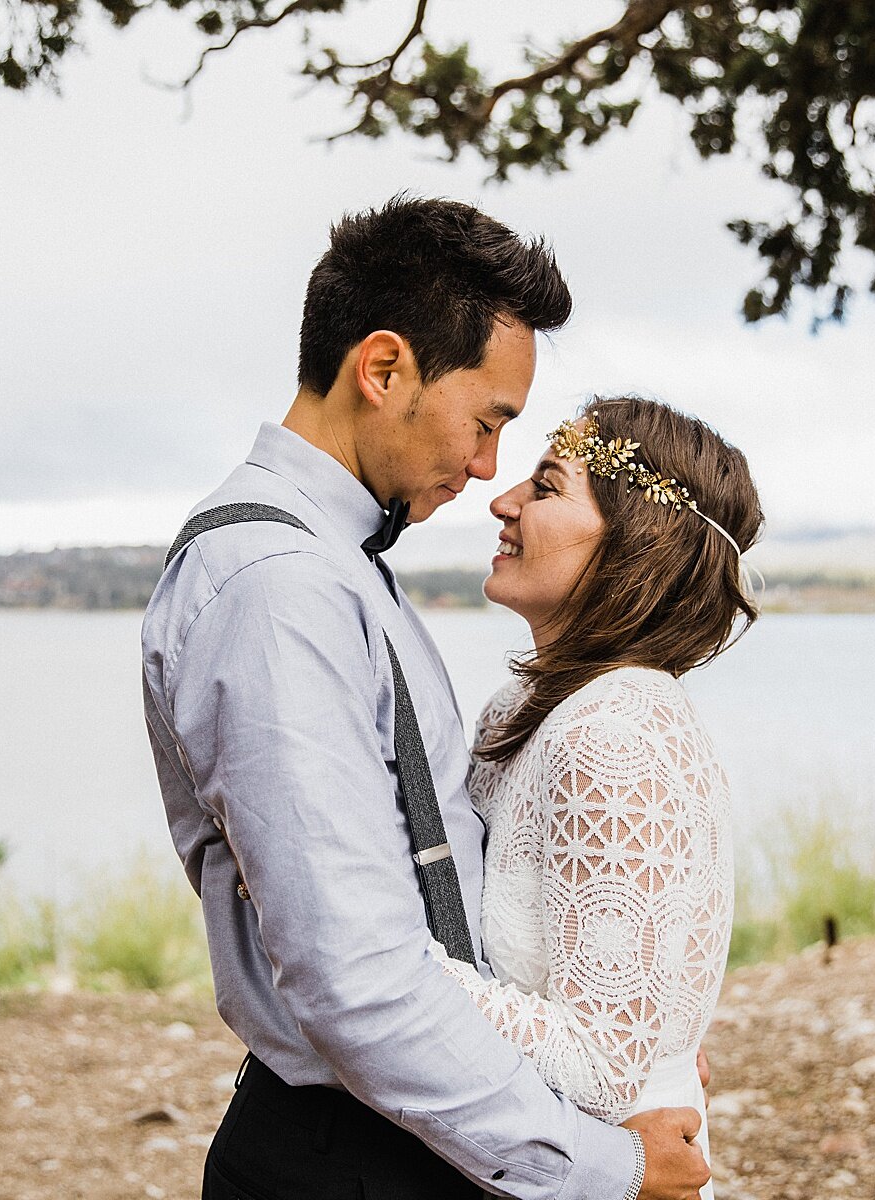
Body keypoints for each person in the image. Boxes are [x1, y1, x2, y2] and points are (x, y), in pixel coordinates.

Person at [141, 196, 711, 1200]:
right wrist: (605, 1167)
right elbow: (355, 977)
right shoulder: (280, 588)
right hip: (349, 1157)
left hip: (413, 1133)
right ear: (384, 369)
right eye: (487, 421)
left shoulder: (337, 569)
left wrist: (626, 1061)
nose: (488, 467)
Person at [430, 396, 762, 1200]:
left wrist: (385, 965)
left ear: (635, 541)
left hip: (611, 1167)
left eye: (545, 488)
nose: (501, 501)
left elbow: (604, 1065)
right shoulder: (526, 712)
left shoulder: (616, 738)